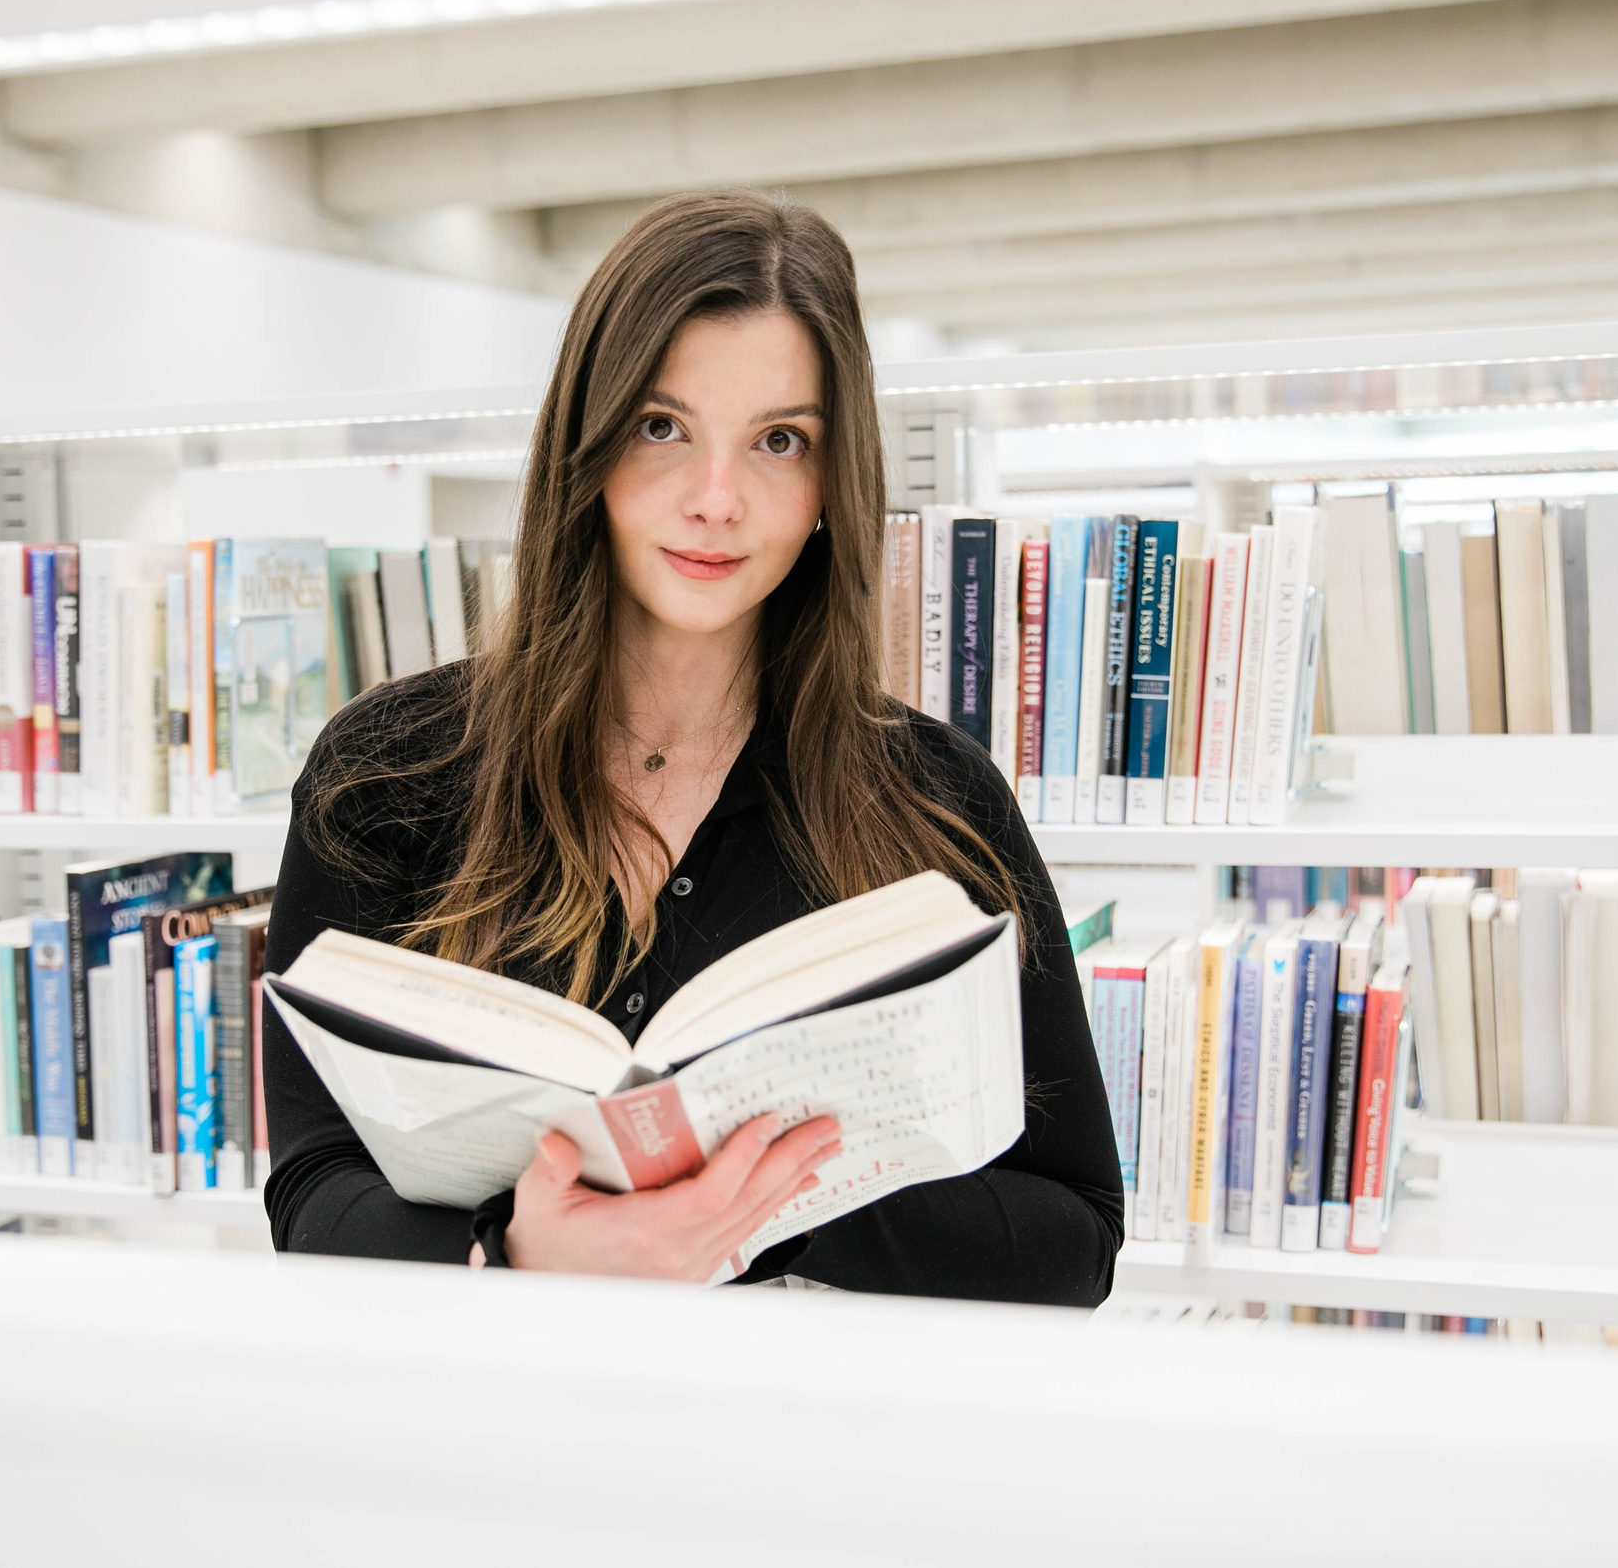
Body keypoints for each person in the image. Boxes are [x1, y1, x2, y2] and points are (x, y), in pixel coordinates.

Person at [261, 190, 1122, 1305]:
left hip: (799, 1448)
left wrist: (764, 1203)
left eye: (778, 439)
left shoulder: (937, 801)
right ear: (590, 443)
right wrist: (515, 1251)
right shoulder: (386, 773)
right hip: (496, 1439)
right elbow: (311, 1192)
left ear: (829, 485)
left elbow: (1074, 1238)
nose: (716, 500)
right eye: (662, 425)